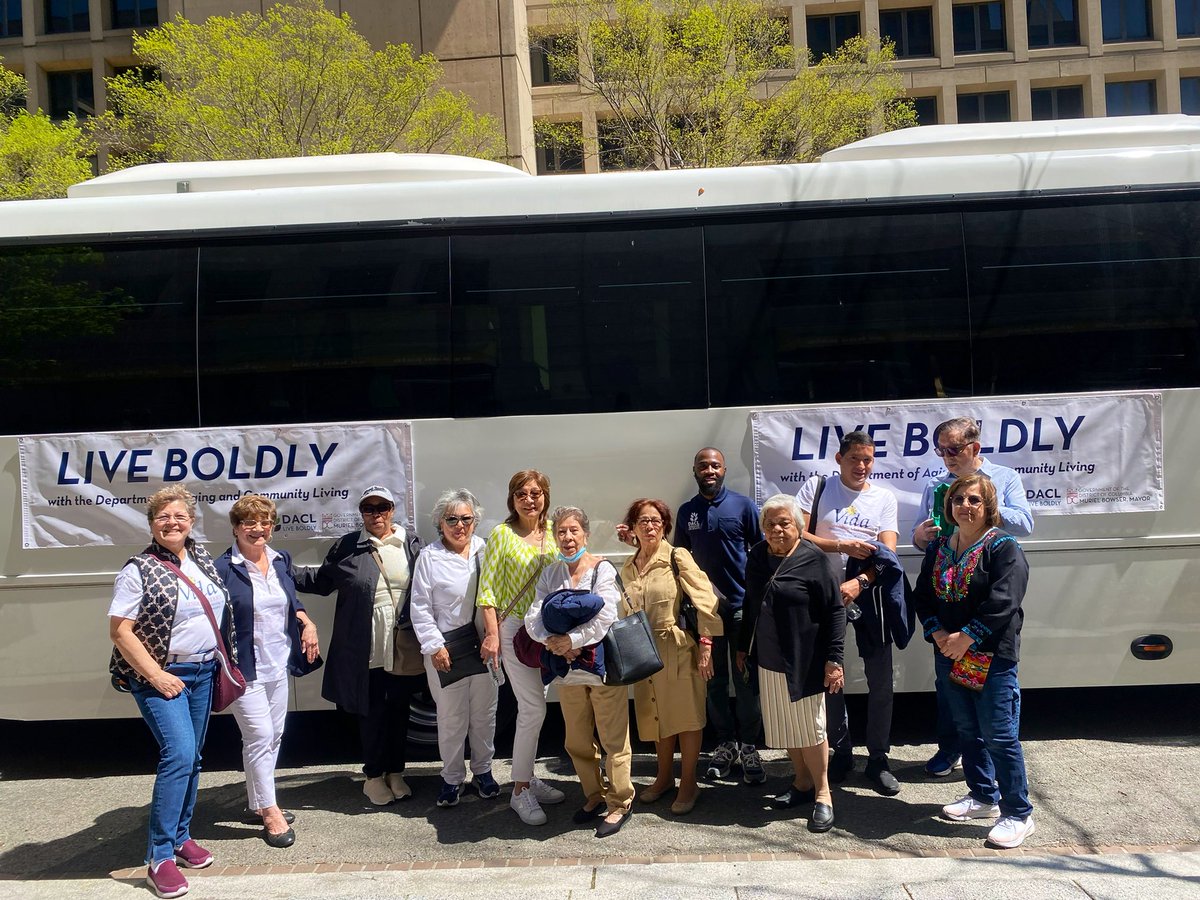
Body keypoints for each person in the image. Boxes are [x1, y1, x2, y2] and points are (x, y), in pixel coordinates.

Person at [108, 486, 232, 899]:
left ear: (191, 521)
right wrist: (157, 676)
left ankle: (181, 838)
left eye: (179, 516)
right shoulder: (138, 569)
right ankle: (159, 856)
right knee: (177, 755)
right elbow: (121, 631)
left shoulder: (200, 559)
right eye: (163, 517)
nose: (172, 523)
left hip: (201, 671)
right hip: (163, 675)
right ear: (152, 524)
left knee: (193, 757)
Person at [912, 473, 1035, 848]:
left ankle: (1018, 813)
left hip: (989, 656)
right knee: (967, 730)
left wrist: (966, 637)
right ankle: (983, 796)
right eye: (958, 499)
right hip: (949, 653)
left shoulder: (1003, 547)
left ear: (988, 507)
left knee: (999, 735)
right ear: (948, 506)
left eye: (974, 500)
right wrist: (937, 634)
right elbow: (923, 597)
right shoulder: (938, 549)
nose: (965, 506)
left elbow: (1004, 601)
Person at [294, 485, 424, 806]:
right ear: (361, 513)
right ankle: (373, 777)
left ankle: (396, 772)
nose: (376, 514)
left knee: (399, 711)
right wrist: (279, 568)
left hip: (402, 643)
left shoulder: (411, 544)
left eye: (382, 507)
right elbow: (321, 582)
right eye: (369, 509)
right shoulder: (349, 546)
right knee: (373, 713)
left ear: (392, 510)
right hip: (366, 645)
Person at [797, 431, 904, 795]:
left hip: (868, 594)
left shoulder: (884, 498)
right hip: (826, 595)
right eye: (855, 458)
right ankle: (840, 751)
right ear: (839, 458)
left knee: (881, 679)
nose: (861, 466)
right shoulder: (817, 487)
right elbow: (795, 534)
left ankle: (878, 758)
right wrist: (840, 545)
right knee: (831, 677)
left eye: (868, 460)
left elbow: (887, 554)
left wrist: (860, 580)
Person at [214, 494, 321, 849]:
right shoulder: (222, 569)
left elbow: (291, 599)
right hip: (244, 668)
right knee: (259, 736)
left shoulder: (280, 560)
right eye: (250, 523)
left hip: (278, 662)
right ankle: (271, 812)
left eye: (265, 523)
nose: (258, 529)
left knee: (272, 736)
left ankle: (256, 801)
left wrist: (305, 620)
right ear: (235, 528)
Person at [737, 494, 845, 833]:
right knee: (786, 727)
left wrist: (834, 659)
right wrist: (743, 646)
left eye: (784, 522)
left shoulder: (812, 558)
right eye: (770, 524)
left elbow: (835, 611)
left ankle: (823, 795)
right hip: (768, 659)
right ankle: (801, 783)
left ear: (798, 526)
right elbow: (749, 601)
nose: (776, 529)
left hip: (804, 661)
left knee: (811, 730)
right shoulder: (757, 555)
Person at [525, 506, 633, 837]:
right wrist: (552, 642)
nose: (568, 538)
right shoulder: (550, 573)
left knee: (614, 738)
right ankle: (593, 794)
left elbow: (605, 616)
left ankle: (620, 802)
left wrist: (571, 640)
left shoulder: (602, 569)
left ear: (585, 533)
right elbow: (533, 617)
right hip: (568, 673)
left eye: (574, 531)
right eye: (561, 532)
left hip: (600, 670)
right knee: (577, 740)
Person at [619, 498, 722, 815]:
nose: (649, 526)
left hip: (675, 645)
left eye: (655, 520)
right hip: (642, 649)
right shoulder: (628, 565)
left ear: (665, 525)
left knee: (687, 718)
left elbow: (705, 597)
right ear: (633, 528)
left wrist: (706, 643)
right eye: (642, 521)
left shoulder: (678, 556)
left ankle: (688, 782)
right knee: (656, 715)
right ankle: (663, 777)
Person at [477, 469, 565, 825]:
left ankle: (526, 777)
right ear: (512, 499)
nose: (530, 499)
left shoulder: (553, 534)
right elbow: (488, 590)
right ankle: (518, 792)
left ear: (546, 495)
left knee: (536, 707)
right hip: (515, 630)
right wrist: (493, 634)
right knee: (533, 709)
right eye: (522, 494)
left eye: (536, 493)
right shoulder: (501, 534)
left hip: (546, 630)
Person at [674, 448, 766, 785]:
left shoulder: (743, 506)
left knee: (746, 683)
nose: (709, 470)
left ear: (724, 469)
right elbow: (680, 562)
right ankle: (725, 745)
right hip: (705, 612)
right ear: (694, 471)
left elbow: (759, 555)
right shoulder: (687, 512)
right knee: (713, 683)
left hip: (741, 609)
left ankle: (749, 746)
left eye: (715, 465)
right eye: (703, 466)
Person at [408, 488, 501, 808]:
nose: (459, 525)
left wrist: (494, 636)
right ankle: (450, 779)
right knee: (451, 718)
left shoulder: (485, 550)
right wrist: (434, 646)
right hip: (447, 649)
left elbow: (496, 598)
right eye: (452, 519)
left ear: (475, 521)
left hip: (484, 648)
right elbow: (419, 607)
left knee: (484, 715)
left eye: (466, 519)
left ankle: (484, 772)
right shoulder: (429, 557)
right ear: (440, 522)